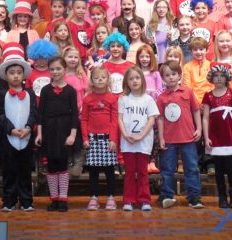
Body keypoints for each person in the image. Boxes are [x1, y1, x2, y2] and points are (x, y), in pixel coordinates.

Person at [0, 44, 37, 212]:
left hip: (26, 137)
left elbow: (34, 112)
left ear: (23, 75)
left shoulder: (30, 94)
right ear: (6, 76)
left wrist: (28, 127)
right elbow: (0, 114)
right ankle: (9, 200)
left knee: (25, 170)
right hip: (8, 138)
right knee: (9, 170)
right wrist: (10, 129)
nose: (15, 76)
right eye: (12, 73)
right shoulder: (1, 94)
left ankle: (26, 200)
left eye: (19, 73)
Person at [156, 61, 203, 209]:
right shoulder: (161, 98)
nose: (171, 77)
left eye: (173, 74)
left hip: (188, 137)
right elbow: (160, 118)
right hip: (169, 139)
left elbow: (196, 110)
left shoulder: (188, 92)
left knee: (192, 168)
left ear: (179, 75)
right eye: (167, 75)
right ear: (163, 78)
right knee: (167, 169)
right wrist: (161, 137)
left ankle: (194, 197)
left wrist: (199, 128)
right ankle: (167, 196)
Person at [36, 57, 79, 212]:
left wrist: (72, 135)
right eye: (52, 69)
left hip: (64, 130)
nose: (55, 72)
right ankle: (53, 198)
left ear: (65, 70)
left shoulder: (71, 91)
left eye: (58, 68)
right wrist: (39, 134)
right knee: (51, 165)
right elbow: (40, 114)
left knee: (62, 164)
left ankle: (63, 198)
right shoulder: (45, 90)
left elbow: (74, 115)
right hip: (49, 130)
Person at [118, 67, 160, 212]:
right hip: (128, 142)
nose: (134, 81)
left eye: (137, 78)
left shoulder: (148, 99)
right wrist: (125, 134)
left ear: (142, 80)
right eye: (131, 79)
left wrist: (141, 136)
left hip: (143, 142)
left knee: (142, 172)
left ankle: (144, 200)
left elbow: (151, 120)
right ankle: (128, 200)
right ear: (126, 82)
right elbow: (119, 118)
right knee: (129, 172)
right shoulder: (123, 99)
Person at [202, 63, 232, 209]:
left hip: (230, 136)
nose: (219, 79)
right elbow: (205, 118)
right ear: (211, 78)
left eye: (222, 76)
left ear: (226, 78)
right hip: (216, 138)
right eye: (216, 76)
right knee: (218, 171)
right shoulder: (208, 96)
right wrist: (206, 137)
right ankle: (222, 197)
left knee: (231, 169)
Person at [81, 66, 120, 211]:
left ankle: (111, 197)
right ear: (91, 80)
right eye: (96, 78)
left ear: (108, 79)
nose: (100, 80)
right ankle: (93, 197)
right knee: (93, 170)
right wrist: (85, 138)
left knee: (109, 170)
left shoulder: (112, 98)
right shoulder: (87, 99)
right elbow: (84, 119)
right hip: (92, 139)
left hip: (108, 139)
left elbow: (114, 120)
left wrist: (113, 139)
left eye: (103, 77)